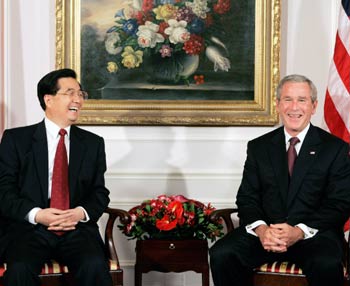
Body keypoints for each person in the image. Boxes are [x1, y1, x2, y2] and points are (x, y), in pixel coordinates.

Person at [209, 74, 350, 286]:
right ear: (277, 105)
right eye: (287, 99)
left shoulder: (335, 149)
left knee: (326, 262)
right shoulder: (259, 147)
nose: (294, 107)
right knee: (222, 253)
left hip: (313, 235)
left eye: (302, 100)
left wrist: (299, 231)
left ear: (314, 106)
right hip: (267, 234)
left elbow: (340, 203)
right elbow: (247, 198)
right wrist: (262, 230)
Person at [0, 68, 112, 286]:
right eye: (70, 93)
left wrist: (79, 213)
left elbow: (99, 192)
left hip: (76, 229)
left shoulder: (93, 143)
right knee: (20, 269)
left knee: (94, 266)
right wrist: (38, 215)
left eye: (80, 94)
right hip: (29, 229)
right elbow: (4, 191)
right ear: (48, 99)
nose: (77, 100)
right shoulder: (16, 140)